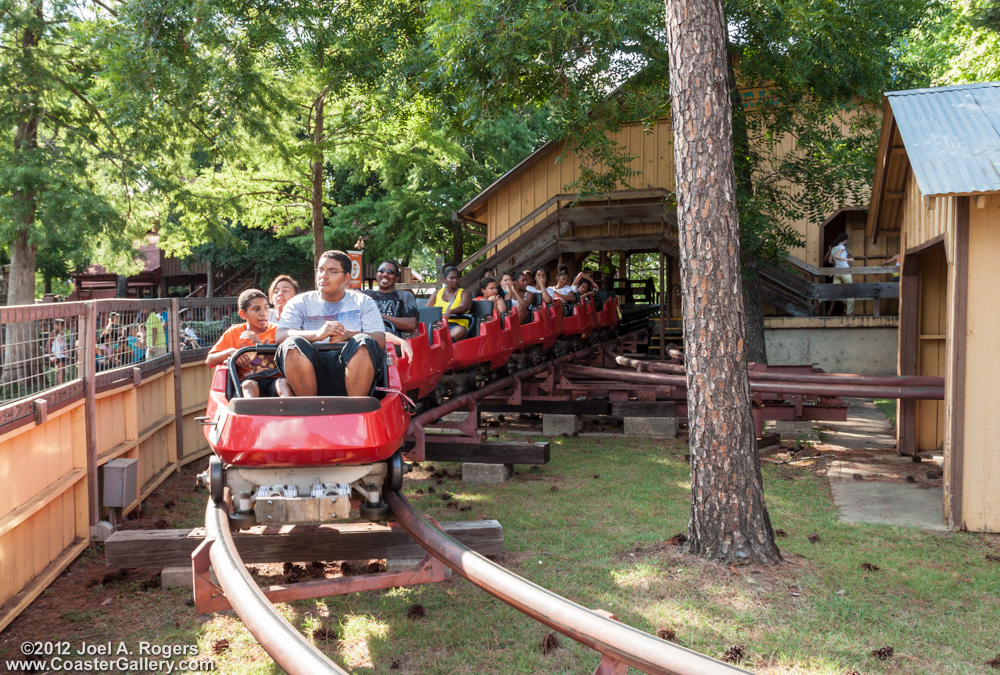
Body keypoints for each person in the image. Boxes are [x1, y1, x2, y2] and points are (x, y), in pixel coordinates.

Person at [275, 250, 386, 397]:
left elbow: (380, 339)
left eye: (332, 271)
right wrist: (317, 334)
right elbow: (280, 335)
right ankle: (309, 409)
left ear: (347, 277)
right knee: (291, 343)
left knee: (364, 342)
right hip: (310, 368)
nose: (324, 276)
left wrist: (348, 335)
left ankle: (356, 408)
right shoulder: (299, 302)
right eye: (320, 270)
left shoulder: (364, 302)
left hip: (351, 367)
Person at [207, 289, 287, 398]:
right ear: (243, 314)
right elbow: (210, 360)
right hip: (250, 379)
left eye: (266, 308)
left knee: (283, 384)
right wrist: (231, 352)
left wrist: (259, 344)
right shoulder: (234, 332)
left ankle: (293, 412)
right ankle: (252, 413)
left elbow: (284, 361)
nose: (263, 313)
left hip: (275, 377)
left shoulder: (277, 330)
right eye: (256, 309)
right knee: (248, 386)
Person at [364, 260, 419, 336]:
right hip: (368, 340)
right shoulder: (367, 295)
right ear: (377, 275)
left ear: (397, 278)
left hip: (395, 343)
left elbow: (412, 325)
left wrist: (381, 316)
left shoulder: (405, 296)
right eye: (381, 271)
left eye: (390, 272)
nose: (385, 274)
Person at [431, 265, 473, 341]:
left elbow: (463, 307)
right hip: (438, 324)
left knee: (460, 330)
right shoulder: (437, 293)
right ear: (445, 279)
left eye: (457, 278)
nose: (455, 280)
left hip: (456, 325)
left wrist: (450, 311)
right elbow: (427, 308)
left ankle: (443, 342)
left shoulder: (465, 293)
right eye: (451, 278)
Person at [829, 232, 855, 316]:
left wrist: (837, 263)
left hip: (836, 272)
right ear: (846, 240)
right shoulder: (842, 247)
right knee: (850, 292)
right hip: (845, 271)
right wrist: (849, 260)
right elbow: (837, 256)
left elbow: (830, 261)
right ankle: (849, 312)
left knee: (835, 292)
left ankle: (843, 305)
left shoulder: (833, 248)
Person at [47, 319, 68, 385]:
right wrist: (52, 356)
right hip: (57, 355)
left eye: (61, 325)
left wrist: (67, 354)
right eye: (57, 325)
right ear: (54, 326)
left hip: (63, 354)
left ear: (63, 326)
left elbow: (64, 344)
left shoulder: (63, 334)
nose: (59, 327)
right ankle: (60, 386)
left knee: (62, 371)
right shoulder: (53, 334)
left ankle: (59, 384)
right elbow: (47, 345)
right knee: (61, 371)